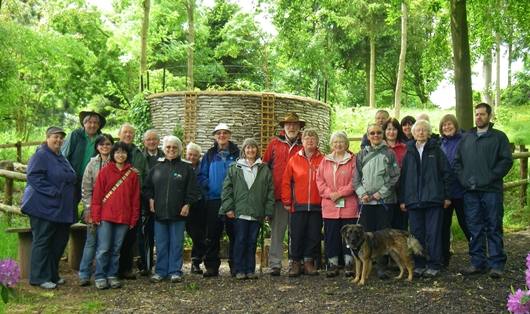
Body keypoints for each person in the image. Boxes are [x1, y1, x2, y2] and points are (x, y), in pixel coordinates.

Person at [455, 103, 513, 279]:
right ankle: (477, 262)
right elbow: (458, 162)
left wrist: (490, 176)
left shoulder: (498, 137)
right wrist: (463, 178)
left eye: (482, 114)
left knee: (493, 226)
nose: (479, 117)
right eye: (477, 114)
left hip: (491, 191)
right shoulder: (467, 138)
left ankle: (496, 263)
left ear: (489, 116)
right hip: (470, 191)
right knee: (474, 227)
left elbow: (506, 161)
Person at [21, 126, 77, 290]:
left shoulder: (60, 156)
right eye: (55, 137)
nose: (58, 140)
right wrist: (54, 191)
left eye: (61, 137)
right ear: (47, 138)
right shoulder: (41, 155)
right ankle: (38, 277)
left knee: (59, 241)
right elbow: (33, 176)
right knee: (43, 240)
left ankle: (52, 274)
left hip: (61, 209)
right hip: (43, 207)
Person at [398, 120, 453, 278]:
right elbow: (404, 177)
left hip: (433, 199)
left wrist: (447, 196)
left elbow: (446, 174)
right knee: (416, 235)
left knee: (433, 233)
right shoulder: (409, 152)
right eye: (418, 130)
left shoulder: (436, 150)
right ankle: (420, 264)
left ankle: (434, 264)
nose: (420, 133)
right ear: (413, 133)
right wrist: (403, 199)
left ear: (429, 133)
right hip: (413, 201)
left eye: (424, 130)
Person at [143, 136, 198, 283]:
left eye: (174, 147)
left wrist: (188, 204)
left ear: (179, 150)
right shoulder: (157, 168)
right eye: (168, 147)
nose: (171, 150)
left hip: (178, 213)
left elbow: (193, 190)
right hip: (159, 213)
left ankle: (175, 271)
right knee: (160, 244)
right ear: (164, 149)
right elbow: (146, 188)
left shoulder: (186, 168)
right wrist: (151, 199)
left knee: (176, 243)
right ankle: (160, 271)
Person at [220, 138, 275, 280]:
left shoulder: (263, 169)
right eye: (247, 148)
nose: (251, 150)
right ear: (243, 150)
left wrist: (268, 211)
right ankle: (239, 270)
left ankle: (250, 270)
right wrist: (229, 208)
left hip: (256, 212)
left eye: (253, 148)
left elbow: (270, 191)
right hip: (240, 211)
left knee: (252, 241)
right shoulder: (235, 167)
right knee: (240, 240)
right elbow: (227, 189)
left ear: (257, 150)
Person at [352, 123, 400, 280]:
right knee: (365, 235)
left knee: (384, 235)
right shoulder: (361, 155)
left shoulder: (390, 154)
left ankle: (382, 267)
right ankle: (367, 268)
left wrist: (382, 193)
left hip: (384, 202)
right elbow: (356, 178)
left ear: (383, 134)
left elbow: (395, 176)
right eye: (372, 133)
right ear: (367, 135)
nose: (375, 135)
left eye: (378, 132)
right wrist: (362, 193)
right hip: (367, 203)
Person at [91, 141, 140, 290]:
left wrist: (133, 218)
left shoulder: (132, 174)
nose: (120, 155)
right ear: (113, 154)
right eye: (117, 152)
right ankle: (100, 276)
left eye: (123, 152)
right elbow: (97, 196)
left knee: (116, 249)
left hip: (124, 217)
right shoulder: (105, 171)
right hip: (106, 216)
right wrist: (96, 216)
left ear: (127, 155)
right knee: (104, 248)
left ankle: (112, 275)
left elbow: (135, 199)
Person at [262, 112, 304, 276]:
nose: (292, 127)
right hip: (278, 196)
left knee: (297, 232)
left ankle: (295, 262)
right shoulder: (273, 144)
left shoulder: (304, 145)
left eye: (295, 124)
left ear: (299, 127)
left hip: (299, 197)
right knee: (277, 231)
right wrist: (266, 195)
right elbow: (264, 169)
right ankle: (275, 264)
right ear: (284, 127)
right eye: (289, 124)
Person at [198, 123, 240, 277]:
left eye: (224, 133)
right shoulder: (209, 155)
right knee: (213, 234)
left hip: (233, 200)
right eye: (218, 133)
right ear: (215, 136)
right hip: (214, 199)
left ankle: (235, 265)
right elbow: (201, 175)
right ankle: (211, 266)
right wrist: (209, 185)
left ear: (229, 135)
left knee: (234, 233)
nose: (221, 136)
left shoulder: (237, 154)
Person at [281, 128, 324, 277]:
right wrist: (287, 200)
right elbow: (286, 181)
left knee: (313, 234)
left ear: (317, 141)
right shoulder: (294, 159)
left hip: (317, 205)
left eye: (313, 138)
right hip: (297, 204)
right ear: (302, 141)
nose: (310, 141)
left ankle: (308, 262)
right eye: (307, 138)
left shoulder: (323, 159)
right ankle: (295, 262)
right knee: (296, 234)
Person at [316, 131, 359, 278]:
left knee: (351, 236)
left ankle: (349, 263)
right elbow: (319, 181)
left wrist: (340, 193)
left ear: (346, 144)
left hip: (348, 204)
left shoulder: (353, 160)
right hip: (330, 205)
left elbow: (355, 181)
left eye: (341, 141)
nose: (338, 144)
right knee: (331, 235)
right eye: (335, 142)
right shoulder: (325, 160)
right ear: (331, 144)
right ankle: (332, 264)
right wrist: (330, 194)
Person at [78, 134, 115, 286]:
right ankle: (84, 274)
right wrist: (88, 210)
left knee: (106, 244)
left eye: (108, 144)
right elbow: (86, 188)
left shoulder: (117, 163)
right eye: (101, 144)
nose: (105, 147)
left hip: (111, 210)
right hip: (94, 208)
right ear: (97, 147)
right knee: (91, 242)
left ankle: (104, 273)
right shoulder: (91, 164)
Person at [117, 123, 150, 280]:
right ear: (119, 134)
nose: (128, 135)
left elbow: (147, 177)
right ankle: (112, 269)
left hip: (134, 200)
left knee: (130, 236)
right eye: (125, 132)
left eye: (131, 132)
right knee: (115, 237)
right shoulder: (114, 151)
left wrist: (139, 184)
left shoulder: (139, 154)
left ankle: (126, 268)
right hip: (115, 201)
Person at [439, 114, 471, 267]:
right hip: (445, 192)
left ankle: (476, 254)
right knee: (443, 226)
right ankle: (444, 256)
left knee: (467, 224)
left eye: (449, 124)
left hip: (461, 191)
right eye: (444, 125)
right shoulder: (441, 143)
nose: (447, 127)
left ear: (456, 125)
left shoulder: (464, 140)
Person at [61, 111, 106, 204]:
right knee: (69, 205)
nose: (92, 125)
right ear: (84, 124)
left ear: (99, 125)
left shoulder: (102, 139)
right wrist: (68, 174)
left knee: (92, 207)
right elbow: (64, 155)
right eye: (90, 122)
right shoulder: (75, 135)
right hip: (73, 178)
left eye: (95, 123)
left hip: (92, 181)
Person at [138, 130, 165, 276]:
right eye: (148, 140)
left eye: (154, 139)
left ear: (158, 141)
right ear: (144, 142)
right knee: (146, 235)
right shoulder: (140, 157)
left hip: (163, 201)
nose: (151, 142)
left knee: (161, 234)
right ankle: (146, 265)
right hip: (145, 200)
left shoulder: (164, 156)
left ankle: (162, 266)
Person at [185, 142, 208, 274]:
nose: (192, 157)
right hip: (188, 204)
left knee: (201, 232)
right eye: (190, 154)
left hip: (202, 202)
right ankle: (205, 251)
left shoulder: (203, 166)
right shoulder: (182, 167)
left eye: (195, 155)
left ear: (199, 156)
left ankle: (195, 262)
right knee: (195, 233)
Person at [383, 118, 408, 231]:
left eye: (394, 129)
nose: (391, 132)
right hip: (384, 193)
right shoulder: (379, 149)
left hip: (401, 192)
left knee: (400, 226)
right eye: (388, 129)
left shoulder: (405, 149)